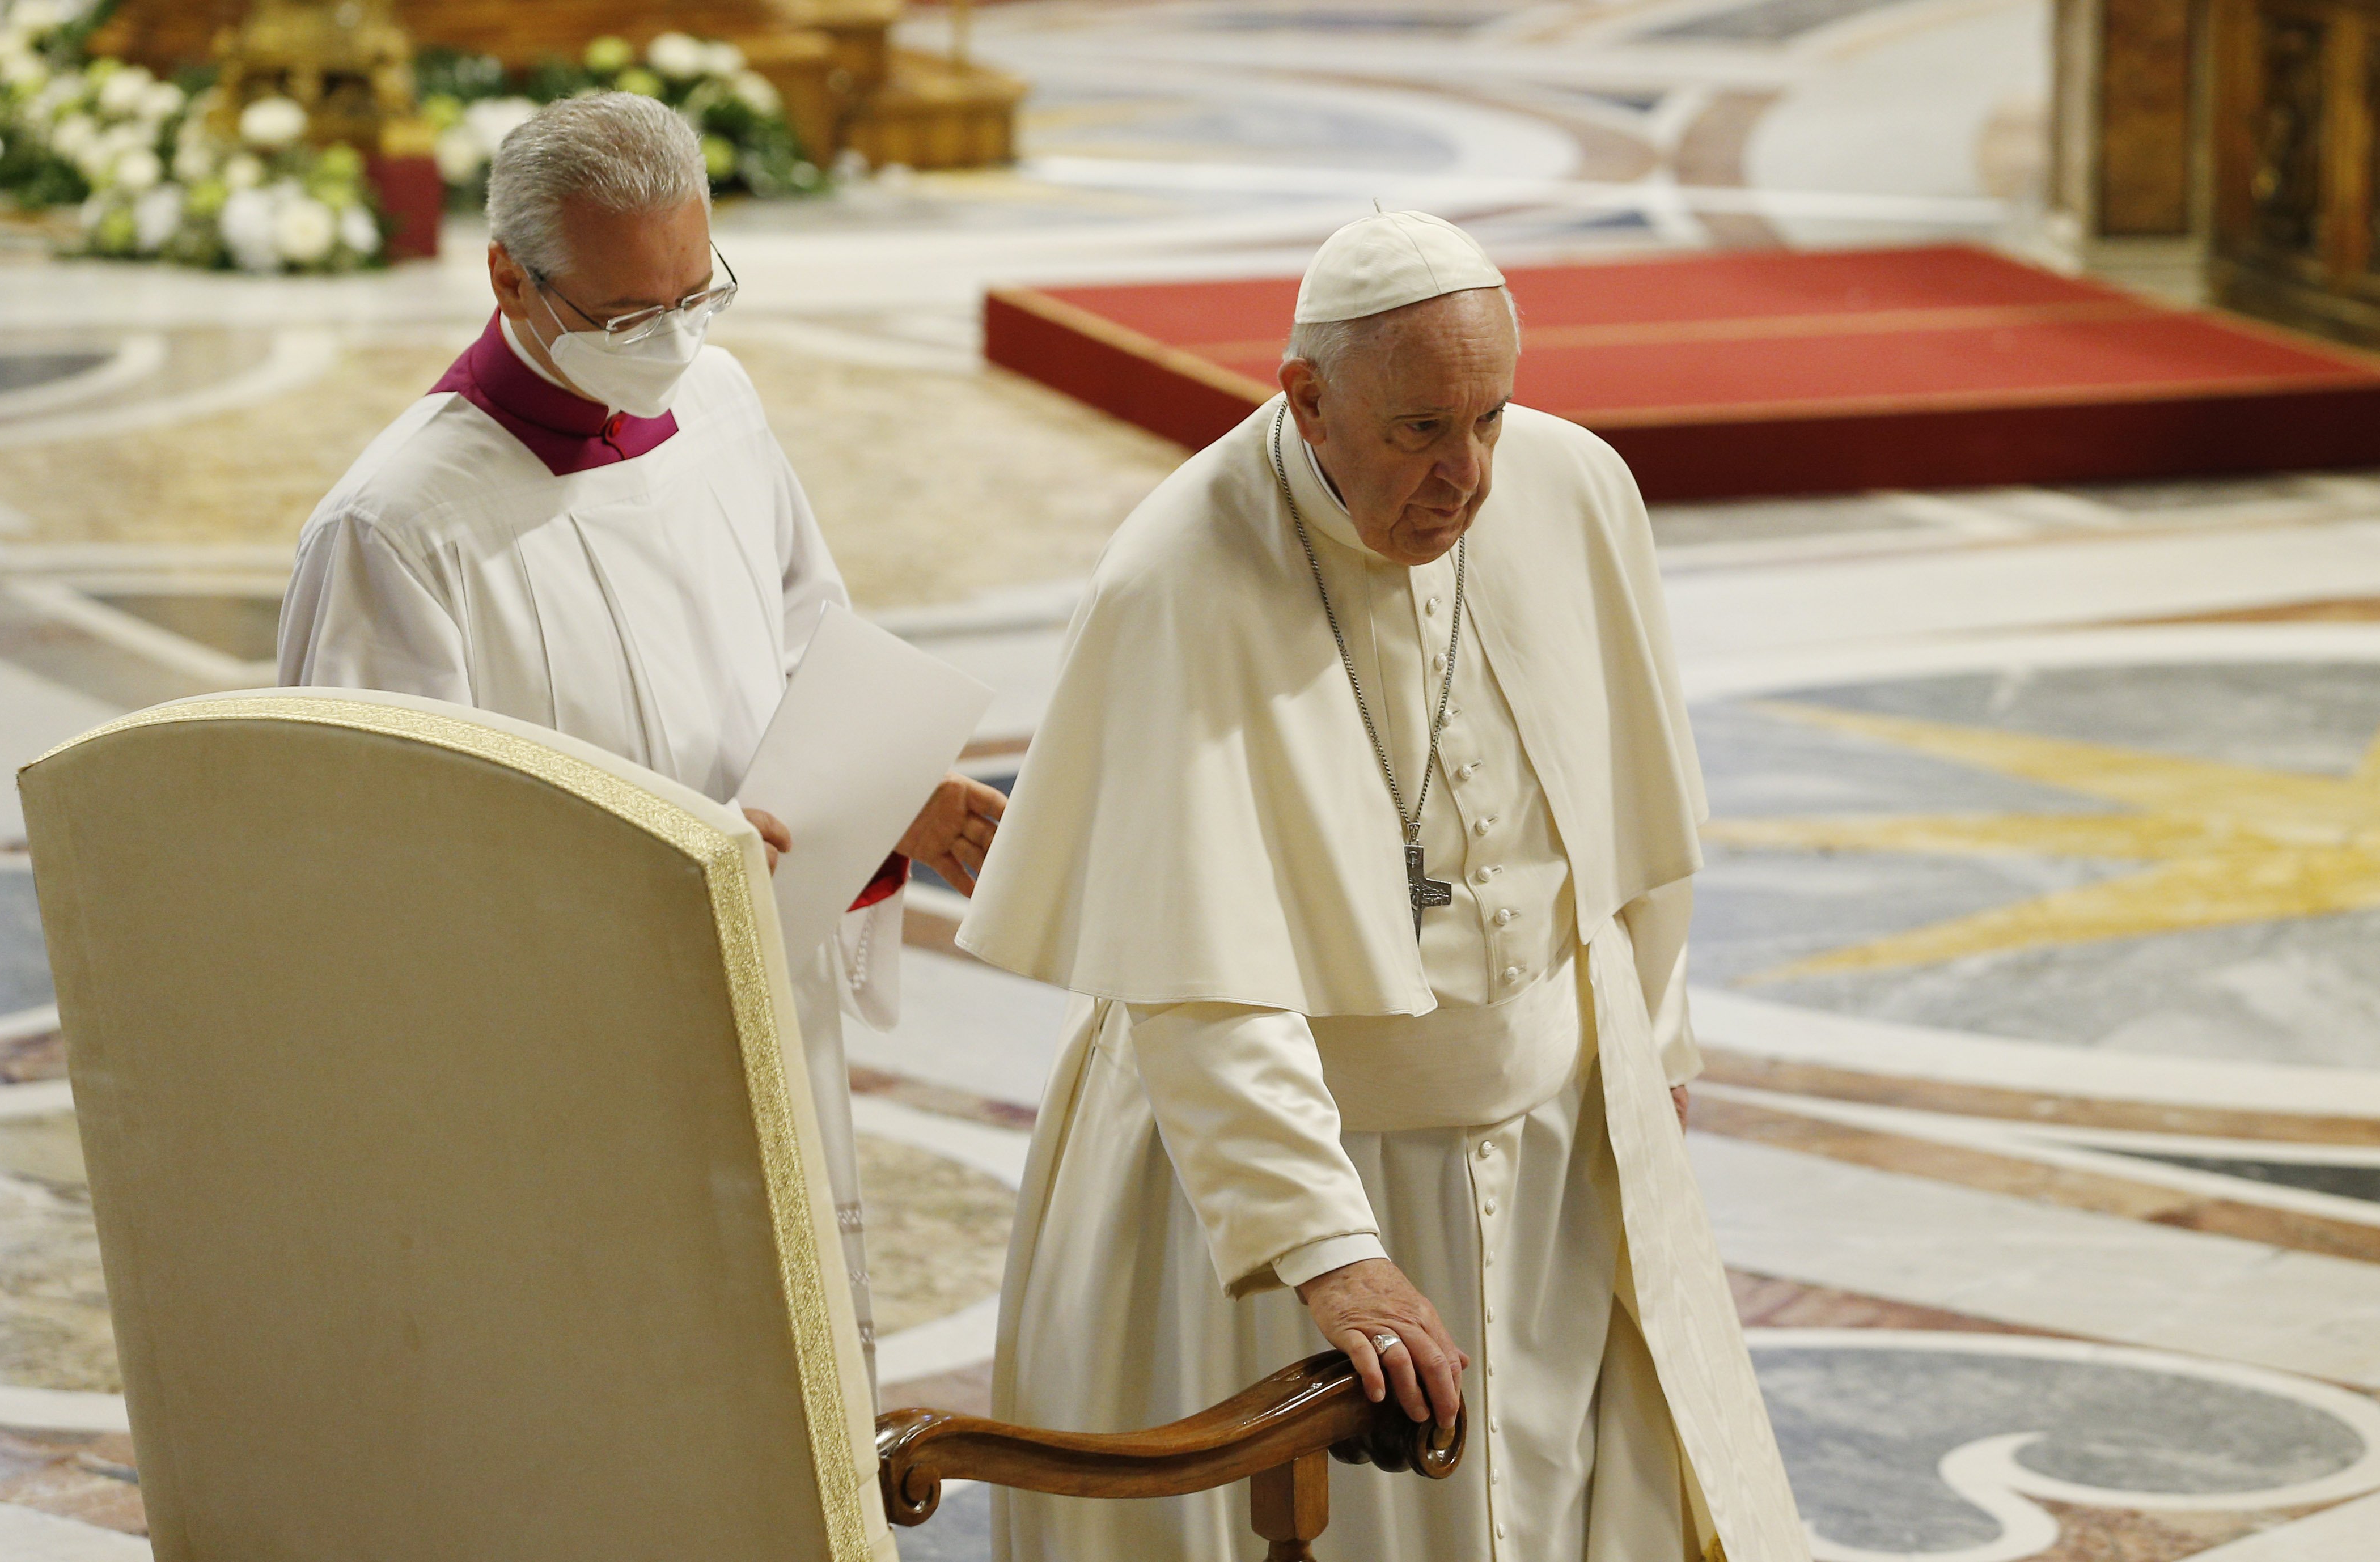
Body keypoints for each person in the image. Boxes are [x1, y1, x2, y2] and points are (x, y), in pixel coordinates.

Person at [958, 211, 1807, 1559]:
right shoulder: (1176, 578)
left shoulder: (1572, 488)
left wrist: (1649, 1045)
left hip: (1544, 1168)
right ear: (1304, 397)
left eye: (1491, 416)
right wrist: (1324, 1247)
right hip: (1287, 1183)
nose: (1466, 475)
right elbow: (1193, 983)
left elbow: (1634, 825)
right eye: (1419, 430)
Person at [276, 91, 1005, 1379]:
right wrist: (656, 868)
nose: (669, 342)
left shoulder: (721, 404)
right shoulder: (396, 528)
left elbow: (802, 643)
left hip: (763, 996)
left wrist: (891, 787)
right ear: (509, 274)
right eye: (625, 315)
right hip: (565, 1067)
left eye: (696, 294)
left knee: (782, 1382)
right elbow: (367, 871)